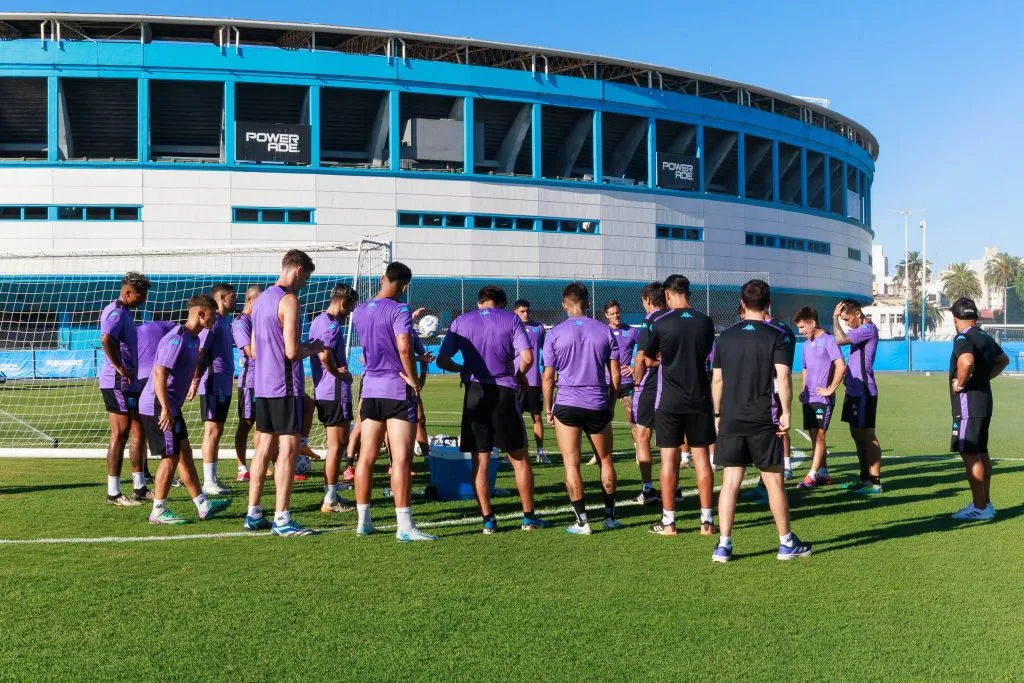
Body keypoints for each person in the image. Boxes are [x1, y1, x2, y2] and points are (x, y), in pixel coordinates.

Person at [710, 280, 812, 562]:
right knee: (774, 481)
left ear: (742, 303)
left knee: (730, 481)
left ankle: (723, 545)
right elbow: (783, 377)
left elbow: (717, 379)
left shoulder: (725, 336)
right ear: (768, 304)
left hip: (731, 417)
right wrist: (787, 413)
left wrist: (717, 413)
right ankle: (786, 543)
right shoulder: (776, 335)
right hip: (763, 418)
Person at [438, 286, 551, 534]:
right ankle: (528, 517)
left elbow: (442, 360)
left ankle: (488, 520)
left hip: (475, 393)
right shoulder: (511, 319)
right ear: (500, 303)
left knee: (480, 460)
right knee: (519, 458)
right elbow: (528, 358)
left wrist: (463, 369)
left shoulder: (461, 321)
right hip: (504, 392)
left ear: (480, 302)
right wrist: (519, 375)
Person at [351, 262, 436, 541]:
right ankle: (405, 526)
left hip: (370, 390)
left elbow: (366, 351)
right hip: (396, 390)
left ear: (382, 278)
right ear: (404, 285)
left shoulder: (360, 310)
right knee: (400, 459)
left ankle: (363, 522)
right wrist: (413, 379)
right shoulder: (400, 310)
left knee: (366, 457)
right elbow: (403, 347)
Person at [243, 250, 324, 536]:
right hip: (285, 387)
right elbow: (291, 351)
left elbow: (254, 349)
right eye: (306, 278)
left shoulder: (261, 300)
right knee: (288, 452)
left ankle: (253, 513)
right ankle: (282, 518)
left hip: (263, 386)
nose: (305, 284)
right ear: (298, 270)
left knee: (263, 449)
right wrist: (313, 347)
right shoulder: (288, 300)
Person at [139, 295, 231, 525]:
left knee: (184, 453)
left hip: (171, 405)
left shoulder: (194, 339)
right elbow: (159, 373)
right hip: (158, 404)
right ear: (201, 314)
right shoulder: (178, 338)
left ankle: (203, 504)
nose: (215, 318)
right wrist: (165, 408)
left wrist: (190, 384)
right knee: (170, 456)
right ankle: (158, 511)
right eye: (212, 314)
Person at [542, 282, 621, 535]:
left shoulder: (554, 333)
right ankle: (609, 517)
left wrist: (548, 409)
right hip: (597, 403)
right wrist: (610, 404)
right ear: (588, 304)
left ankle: (582, 522)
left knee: (571, 464)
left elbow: (548, 377)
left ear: (564, 305)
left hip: (567, 404)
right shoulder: (605, 331)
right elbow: (615, 376)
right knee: (605, 460)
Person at [643, 275, 716, 537]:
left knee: (668, 459)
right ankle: (707, 522)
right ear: (688, 292)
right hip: (699, 398)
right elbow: (707, 355)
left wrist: (663, 357)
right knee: (702, 459)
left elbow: (649, 358)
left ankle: (669, 522)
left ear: (667, 293)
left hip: (669, 400)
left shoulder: (660, 322)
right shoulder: (705, 321)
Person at [948, 297, 1008, 520]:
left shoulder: (963, 337)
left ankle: (980, 507)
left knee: (970, 453)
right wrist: (985, 377)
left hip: (968, 403)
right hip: (983, 400)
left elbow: (966, 361)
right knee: (981, 453)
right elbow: (1003, 360)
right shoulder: (984, 336)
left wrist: (960, 383)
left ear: (955, 318)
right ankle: (985, 503)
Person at [98, 271, 152, 506]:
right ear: (128, 292)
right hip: (117, 382)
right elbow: (105, 339)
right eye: (141, 296)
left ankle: (140, 487)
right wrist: (119, 367)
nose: (144, 300)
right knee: (120, 435)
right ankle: (114, 493)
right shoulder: (116, 313)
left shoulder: (126, 313)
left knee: (140, 431)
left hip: (132, 382)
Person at [309, 284, 359, 514]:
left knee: (336, 445)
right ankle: (330, 499)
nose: (351, 312)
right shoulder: (331, 325)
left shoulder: (318, 321)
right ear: (343, 302)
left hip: (324, 391)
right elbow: (324, 355)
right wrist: (338, 373)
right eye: (351, 306)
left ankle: (331, 494)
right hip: (334, 392)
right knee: (336, 446)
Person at [832, 299, 883, 494]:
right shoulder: (859, 330)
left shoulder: (867, 329)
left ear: (858, 314)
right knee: (857, 435)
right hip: (853, 391)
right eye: (843, 320)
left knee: (868, 436)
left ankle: (875, 482)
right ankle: (864, 478)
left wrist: (834, 318)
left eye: (847, 319)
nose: (846, 323)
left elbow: (840, 339)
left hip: (864, 391)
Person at [793, 307, 846, 490]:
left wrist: (830, 389)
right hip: (809, 398)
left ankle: (811, 475)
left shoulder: (828, 340)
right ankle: (824, 473)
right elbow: (805, 368)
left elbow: (841, 365)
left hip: (823, 399)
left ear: (812, 323)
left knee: (820, 435)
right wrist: (803, 390)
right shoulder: (806, 345)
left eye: (802, 327)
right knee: (814, 436)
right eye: (799, 328)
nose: (801, 331)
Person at [192, 283, 236, 497]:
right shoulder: (213, 322)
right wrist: (194, 379)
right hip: (212, 382)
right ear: (222, 298)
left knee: (217, 431)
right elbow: (200, 352)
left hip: (223, 383)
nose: (235, 300)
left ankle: (214, 478)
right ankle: (208, 481)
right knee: (212, 430)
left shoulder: (224, 322)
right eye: (232, 296)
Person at [632, 282, 670, 505]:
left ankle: (648, 489)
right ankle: (674, 488)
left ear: (647, 300)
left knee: (642, 434)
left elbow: (642, 357)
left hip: (653, 384)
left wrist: (637, 383)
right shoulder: (675, 316)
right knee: (670, 438)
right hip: (675, 385)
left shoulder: (651, 320)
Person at [136, 318, 177, 485]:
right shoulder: (167, 326)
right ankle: (167, 474)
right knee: (167, 429)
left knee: (139, 433)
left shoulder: (133, 331)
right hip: (153, 379)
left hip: (136, 380)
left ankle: (143, 474)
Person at [232, 284, 262, 482]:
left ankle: (261, 464)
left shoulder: (258, 320)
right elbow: (250, 352)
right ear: (250, 299)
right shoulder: (241, 322)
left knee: (263, 424)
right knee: (247, 423)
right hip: (250, 380)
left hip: (263, 380)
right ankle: (242, 467)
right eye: (260, 299)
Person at [513, 299, 549, 463]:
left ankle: (540, 452)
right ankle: (514, 452)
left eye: (527, 311)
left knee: (537, 417)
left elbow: (547, 351)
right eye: (522, 311)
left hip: (534, 381)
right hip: (516, 380)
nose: (526, 314)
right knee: (515, 419)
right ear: (515, 312)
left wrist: (548, 369)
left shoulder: (538, 328)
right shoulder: (511, 327)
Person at [765, 313, 798, 480]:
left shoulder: (775, 329)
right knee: (777, 424)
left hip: (775, 382)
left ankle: (785, 464)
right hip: (776, 381)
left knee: (778, 425)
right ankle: (785, 464)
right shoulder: (783, 327)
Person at [604, 299, 641, 424]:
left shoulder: (631, 331)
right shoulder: (602, 332)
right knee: (603, 417)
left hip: (625, 381)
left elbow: (644, 351)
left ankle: (636, 437)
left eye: (618, 312)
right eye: (612, 314)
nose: (616, 316)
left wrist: (634, 367)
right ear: (606, 315)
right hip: (606, 381)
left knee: (631, 413)